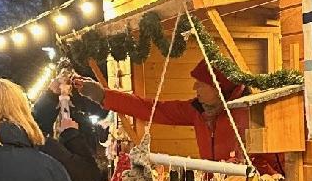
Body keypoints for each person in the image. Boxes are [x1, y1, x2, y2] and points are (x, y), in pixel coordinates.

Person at [71, 59, 282, 172]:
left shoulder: (252, 112)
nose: (194, 87)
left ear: (219, 87)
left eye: (201, 83)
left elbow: (275, 160)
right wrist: (102, 95)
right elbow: (153, 109)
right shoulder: (197, 110)